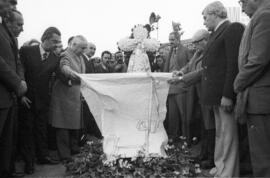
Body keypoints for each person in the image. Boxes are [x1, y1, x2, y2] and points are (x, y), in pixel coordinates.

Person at [200, 1, 244, 177]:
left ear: (215, 14)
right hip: (216, 97)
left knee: (228, 137)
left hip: (223, 96)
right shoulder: (217, 33)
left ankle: (229, 172)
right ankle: (221, 167)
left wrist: (228, 95)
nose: (204, 22)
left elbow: (233, 65)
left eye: (205, 17)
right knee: (221, 134)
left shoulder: (232, 29)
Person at [169, 29, 216, 169]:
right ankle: (204, 154)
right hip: (199, 93)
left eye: (196, 43)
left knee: (210, 127)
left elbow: (201, 72)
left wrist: (182, 78)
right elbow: (190, 66)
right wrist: (181, 71)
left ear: (205, 41)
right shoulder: (199, 52)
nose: (194, 46)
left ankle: (211, 157)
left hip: (208, 93)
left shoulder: (210, 52)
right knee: (204, 125)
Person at [234, 0, 270, 177]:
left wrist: (238, 83)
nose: (242, 8)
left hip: (261, 100)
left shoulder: (264, 16)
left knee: (262, 158)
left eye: (243, 2)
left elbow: (258, 60)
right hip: (260, 97)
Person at [19, 27, 61, 174]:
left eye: (58, 42)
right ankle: (29, 163)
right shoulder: (26, 51)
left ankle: (43, 156)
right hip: (26, 99)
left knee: (41, 129)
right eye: (54, 41)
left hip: (43, 101)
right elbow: (19, 72)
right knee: (27, 131)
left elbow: (62, 75)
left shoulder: (55, 59)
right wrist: (20, 95)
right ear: (45, 38)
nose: (56, 45)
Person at [50, 35, 88, 162]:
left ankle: (74, 149)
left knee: (74, 124)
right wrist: (77, 77)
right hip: (63, 95)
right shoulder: (65, 54)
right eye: (82, 48)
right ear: (73, 45)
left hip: (75, 95)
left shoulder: (81, 56)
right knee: (63, 126)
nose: (84, 50)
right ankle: (65, 155)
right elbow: (64, 68)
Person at [0, 0, 27, 177]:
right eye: (19, 24)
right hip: (2, 96)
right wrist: (17, 83)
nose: (22, 29)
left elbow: (17, 63)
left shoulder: (11, 37)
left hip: (9, 97)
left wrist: (21, 81)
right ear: (8, 22)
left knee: (7, 142)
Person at [163, 30, 192, 143]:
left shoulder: (186, 50)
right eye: (169, 40)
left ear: (178, 39)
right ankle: (173, 136)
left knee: (184, 113)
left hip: (181, 86)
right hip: (170, 87)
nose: (170, 42)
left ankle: (186, 137)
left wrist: (181, 74)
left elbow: (190, 65)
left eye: (172, 40)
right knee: (172, 114)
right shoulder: (168, 52)